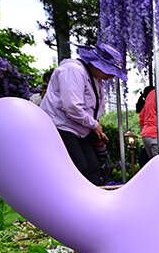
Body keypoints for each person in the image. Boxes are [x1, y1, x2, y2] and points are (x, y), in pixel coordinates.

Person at [41, 43, 126, 185]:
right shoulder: (73, 70)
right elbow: (72, 106)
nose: (111, 76)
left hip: (80, 130)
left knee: (93, 167)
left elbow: (93, 108)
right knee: (79, 167)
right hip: (62, 127)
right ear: (97, 65)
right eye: (110, 71)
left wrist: (95, 126)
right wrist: (93, 124)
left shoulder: (94, 78)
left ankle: (94, 196)